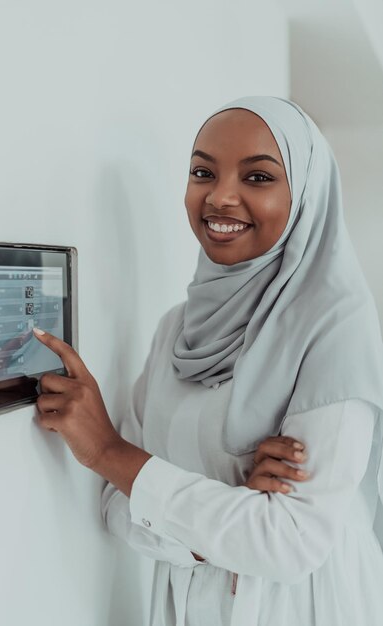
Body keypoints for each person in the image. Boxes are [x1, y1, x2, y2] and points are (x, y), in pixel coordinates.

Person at [33, 96, 383, 626]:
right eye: (203, 171)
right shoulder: (177, 328)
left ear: (306, 195)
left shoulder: (335, 331)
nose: (220, 197)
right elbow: (116, 509)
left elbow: (291, 543)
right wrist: (229, 510)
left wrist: (109, 450)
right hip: (186, 601)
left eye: (259, 178)